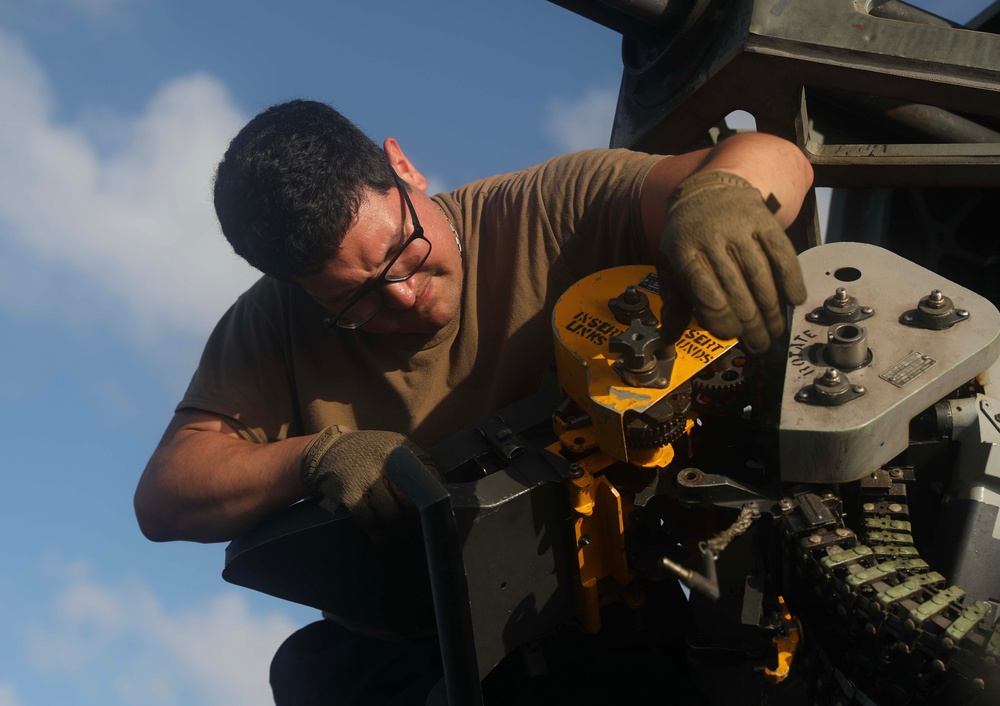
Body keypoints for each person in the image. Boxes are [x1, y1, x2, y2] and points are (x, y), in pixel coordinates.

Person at [133, 99, 813, 704]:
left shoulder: (551, 210)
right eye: (355, 300)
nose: (403, 295)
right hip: (409, 649)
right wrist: (317, 458)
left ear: (403, 168)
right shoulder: (270, 326)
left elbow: (774, 155)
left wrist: (717, 196)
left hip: (607, 615)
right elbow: (167, 496)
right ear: (297, 290)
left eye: (403, 250)